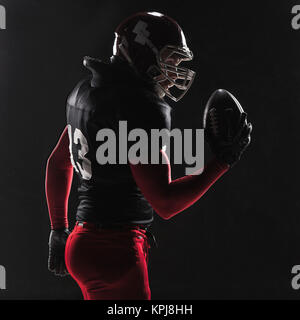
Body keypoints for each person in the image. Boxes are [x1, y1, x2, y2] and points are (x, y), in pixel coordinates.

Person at [45, 11, 252, 300]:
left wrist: (58, 229)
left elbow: (58, 163)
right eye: (170, 60)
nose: (175, 71)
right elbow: (165, 202)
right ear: (142, 54)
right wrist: (221, 163)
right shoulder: (141, 109)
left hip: (80, 243)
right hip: (115, 250)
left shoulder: (84, 92)